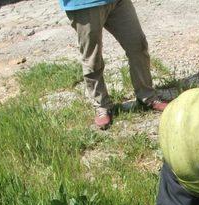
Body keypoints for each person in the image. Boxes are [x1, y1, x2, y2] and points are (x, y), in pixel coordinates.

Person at [60, 0, 169, 129]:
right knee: (92, 58)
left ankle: (147, 96)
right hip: (84, 4)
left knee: (137, 45)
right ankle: (102, 106)